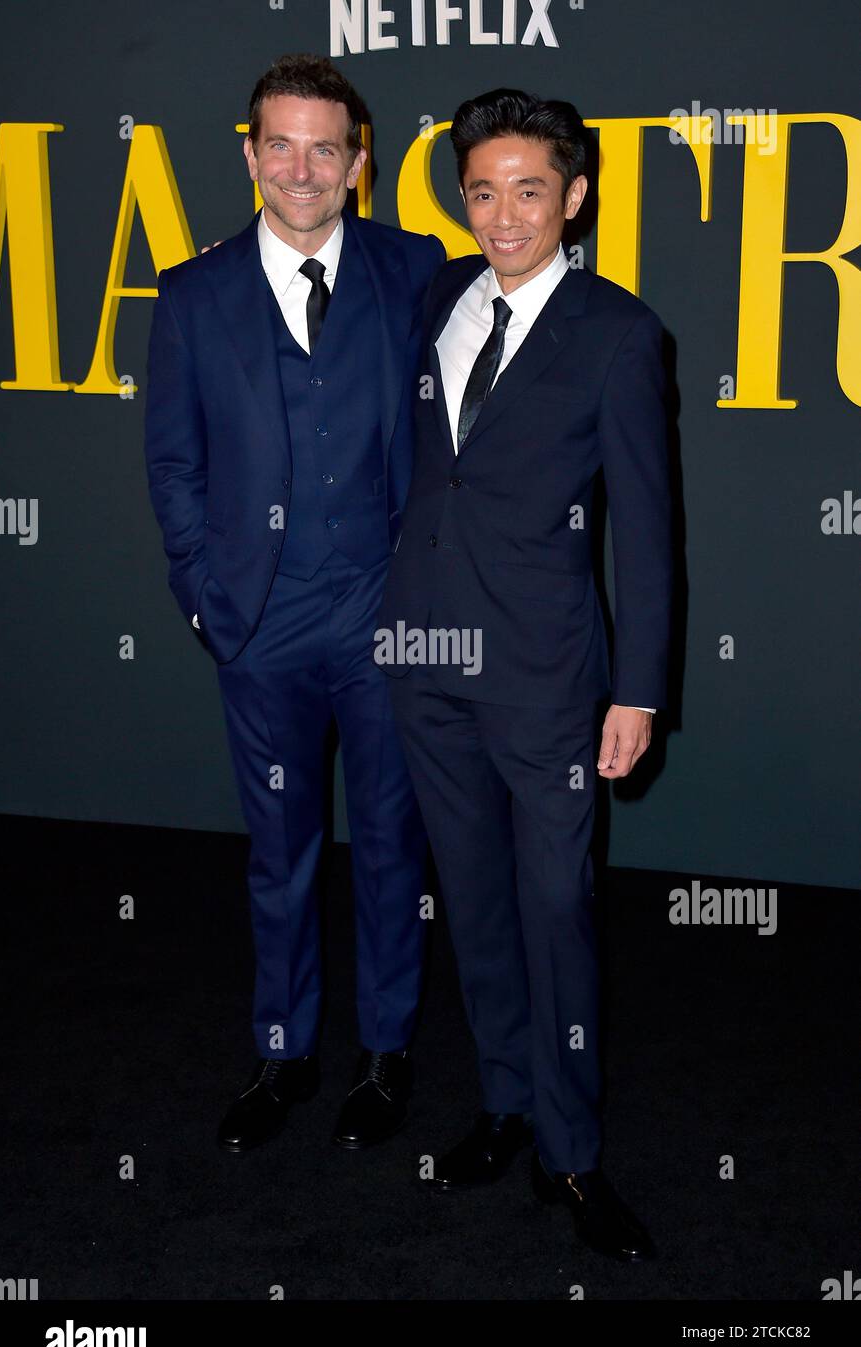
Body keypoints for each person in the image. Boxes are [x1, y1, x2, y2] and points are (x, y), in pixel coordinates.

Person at [376, 88, 673, 1260]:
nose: (503, 215)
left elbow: (647, 530)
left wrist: (637, 689)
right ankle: (504, 1106)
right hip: (424, 658)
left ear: (574, 195)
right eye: (483, 190)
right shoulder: (439, 296)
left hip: (548, 675)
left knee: (557, 914)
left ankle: (572, 1150)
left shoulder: (618, 332)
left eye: (529, 190)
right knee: (477, 906)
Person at [145, 53, 445, 1154]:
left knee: (389, 844)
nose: (303, 167)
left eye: (327, 147)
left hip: (382, 613)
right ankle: (283, 1053)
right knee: (279, 851)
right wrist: (202, 595)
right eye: (281, 144)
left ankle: (385, 1051)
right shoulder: (189, 293)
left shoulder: (414, 270)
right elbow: (173, 465)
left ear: (358, 163)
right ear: (249, 155)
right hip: (259, 624)